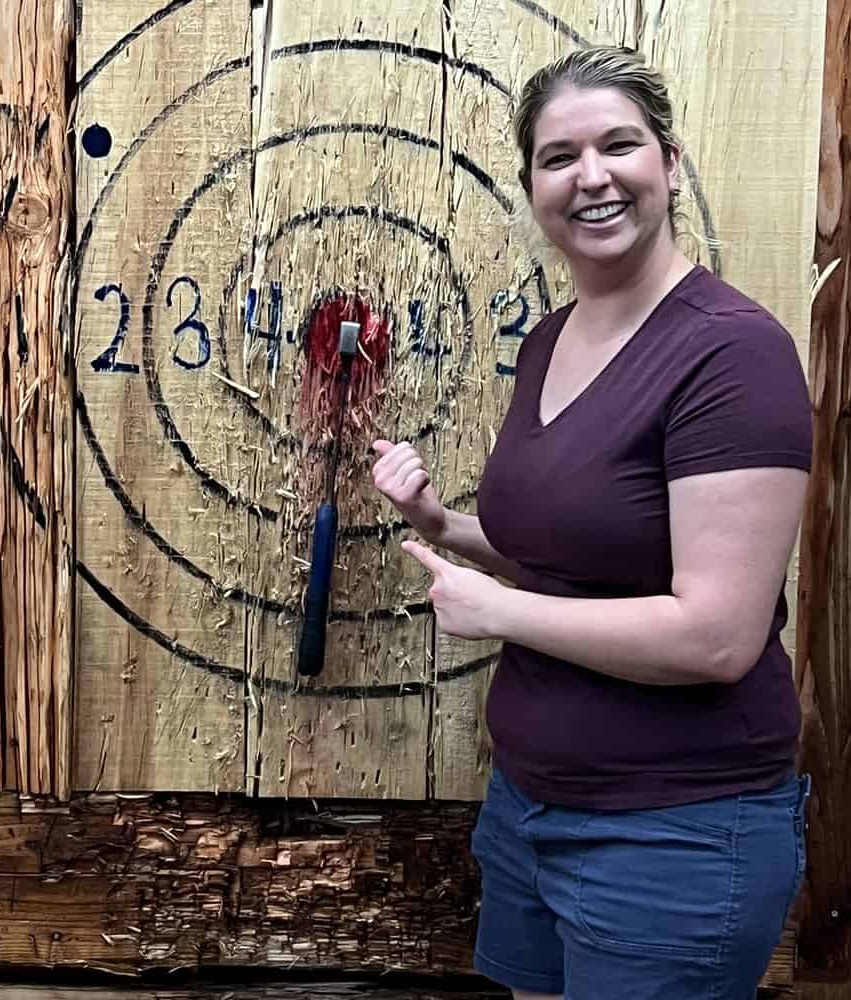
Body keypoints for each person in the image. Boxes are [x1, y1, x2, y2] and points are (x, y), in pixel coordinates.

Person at [371, 46, 812, 1000]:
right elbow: (573, 552)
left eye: (620, 145)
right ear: (531, 184)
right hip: (531, 810)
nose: (592, 176)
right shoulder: (550, 339)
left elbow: (717, 636)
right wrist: (441, 521)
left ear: (670, 162)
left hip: (674, 832)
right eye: (559, 157)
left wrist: (501, 614)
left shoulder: (732, 354)